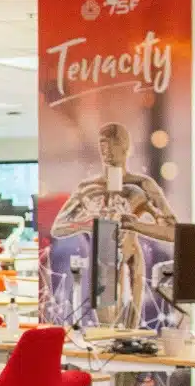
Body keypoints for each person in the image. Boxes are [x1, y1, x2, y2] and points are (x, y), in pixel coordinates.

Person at [51, 121, 178, 325]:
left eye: (113, 146)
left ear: (125, 147)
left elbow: (173, 232)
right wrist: (85, 224)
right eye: (103, 147)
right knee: (105, 330)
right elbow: (58, 227)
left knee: (130, 327)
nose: (107, 152)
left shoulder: (143, 186)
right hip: (102, 258)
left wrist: (137, 226)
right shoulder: (88, 187)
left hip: (131, 257)